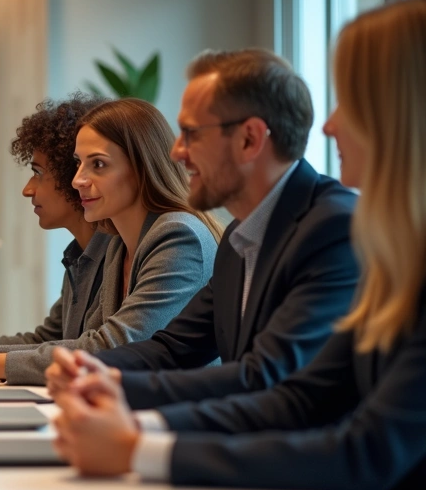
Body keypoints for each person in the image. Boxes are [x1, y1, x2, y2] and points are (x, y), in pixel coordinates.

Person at [50, 0, 426, 490]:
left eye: (353, 102)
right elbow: (295, 395)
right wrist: (116, 392)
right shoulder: (250, 238)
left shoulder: (340, 230)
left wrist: (138, 444)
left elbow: (353, 443)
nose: (332, 125)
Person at [46, 49, 358, 409]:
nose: (177, 152)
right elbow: (174, 347)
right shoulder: (241, 237)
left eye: (191, 133)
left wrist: (134, 431)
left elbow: (263, 376)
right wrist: (90, 371)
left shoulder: (334, 228)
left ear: (249, 140)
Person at [0, 98, 221, 385]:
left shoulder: (179, 237)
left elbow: (114, 346)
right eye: (78, 164)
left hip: (174, 421)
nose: (77, 180)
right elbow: (61, 338)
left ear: (142, 168)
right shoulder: (118, 243)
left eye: (98, 164)